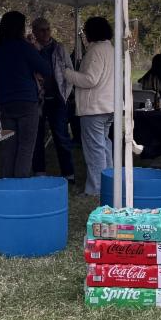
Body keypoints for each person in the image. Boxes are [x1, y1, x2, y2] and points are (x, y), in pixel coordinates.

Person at [0, 11, 57, 178]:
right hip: (26, 101)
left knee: (9, 146)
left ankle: (6, 180)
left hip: (6, 101)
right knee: (26, 147)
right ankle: (20, 183)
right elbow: (46, 69)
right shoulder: (25, 47)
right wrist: (36, 50)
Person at [62, 17, 115, 197]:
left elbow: (90, 80)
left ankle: (96, 189)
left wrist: (68, 74)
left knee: (95, 149)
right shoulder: (111, 49)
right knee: (105, 145)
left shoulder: (96, 51)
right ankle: (109, 182)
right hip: (109, 105)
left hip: (95, 107)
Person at [31, 17, 75, 182]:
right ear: (34, 31)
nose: (46, 33)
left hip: (57, 98)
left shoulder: (59, 48)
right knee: (37, 136)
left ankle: (68, 172)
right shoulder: (31, 49)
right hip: (38, 99)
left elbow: (69, 71)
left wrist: (65, 92)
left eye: (48, 29)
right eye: (42, 30)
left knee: (61, 136)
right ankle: (39, 171)